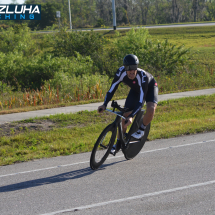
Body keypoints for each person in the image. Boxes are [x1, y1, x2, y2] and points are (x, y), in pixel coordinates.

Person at [98, 54, 158, 154]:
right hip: (135, 91)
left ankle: (141, 129)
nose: (132, 71)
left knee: (151, 109)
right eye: (129, 68)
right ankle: (118, 144)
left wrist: (132, 116)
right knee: (124, 116)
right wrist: (104, 104)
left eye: (134, 67)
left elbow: (141, 101)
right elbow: (112, 90)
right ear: (124, 68)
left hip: (150, 88)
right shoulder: (120, 72)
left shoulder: (142, 77)